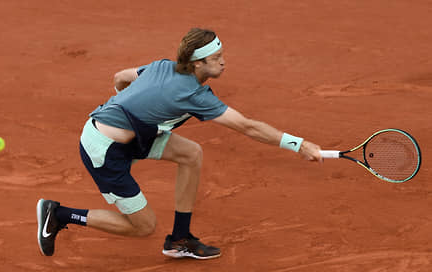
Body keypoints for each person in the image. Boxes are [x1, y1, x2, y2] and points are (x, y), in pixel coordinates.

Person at [36, 28, 322, 260]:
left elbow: (120, 78)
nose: (223, 61)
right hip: (104, 151)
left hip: (135, 136)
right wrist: (300, 144)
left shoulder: (162, 66)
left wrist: (127, 110)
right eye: (216, 57)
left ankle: (180, 239)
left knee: (191, 153)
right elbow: (246, 126)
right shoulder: (194, 96)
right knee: (143, 227)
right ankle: (59, 214)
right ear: (198, 63)